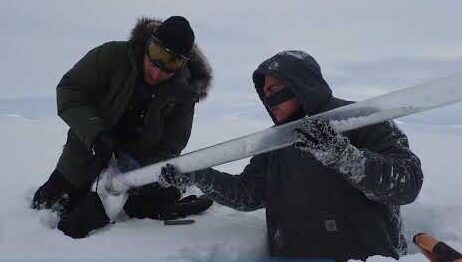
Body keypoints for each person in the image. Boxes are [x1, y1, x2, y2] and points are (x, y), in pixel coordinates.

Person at [159, 50, 424, 261]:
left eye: (275, 90)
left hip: (362, 256)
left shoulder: (362, 119)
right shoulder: (274, 141)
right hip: (290, 255)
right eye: (265, 93)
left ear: (302, 85)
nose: (268, 99)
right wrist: (199, 175)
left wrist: (342, 155)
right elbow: (248, 194)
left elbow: (407, 184)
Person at [31, 16, 213, 237]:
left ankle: (162, 198)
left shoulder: (184, 91)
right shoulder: (111, 56)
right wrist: (96, 135)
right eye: (155, 58)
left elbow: (171, 147)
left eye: (170, 66)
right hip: (85, 156)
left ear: (183, 64)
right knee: (45, 205)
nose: (157, 73)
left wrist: (133, 172)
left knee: (143, 208)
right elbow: (69, 91)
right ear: (148, 44)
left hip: (137, 169)